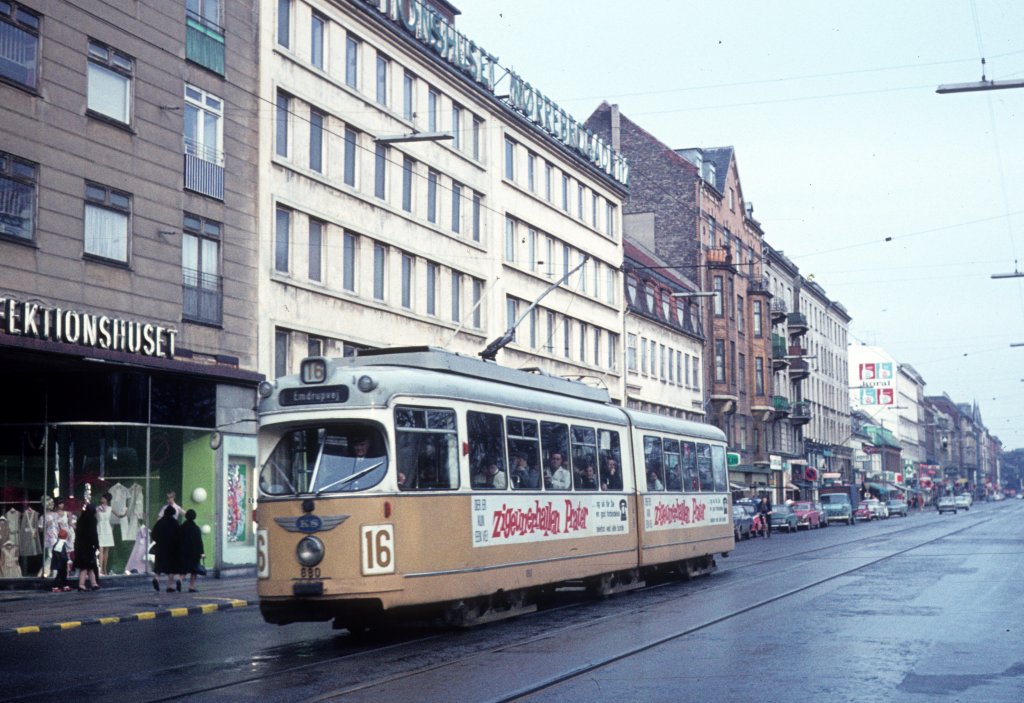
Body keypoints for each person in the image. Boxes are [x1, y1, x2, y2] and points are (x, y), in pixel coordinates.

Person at [151, 505, 182, 592]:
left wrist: (158, 541)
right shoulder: (175, 523)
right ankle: (169, 586)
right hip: (172, 548)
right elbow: (179, 536)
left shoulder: (160, 522)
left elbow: (153, 534)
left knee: (159, 565)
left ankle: (156, 578)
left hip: (160, 547)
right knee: (171, 568)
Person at [96, 492, 125, 576]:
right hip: (100, 528)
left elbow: (119, 515)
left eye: (103, 498)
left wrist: (125, 513)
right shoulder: (97, 508)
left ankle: (105, 569)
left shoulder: (110, 508)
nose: (101, 499)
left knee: (106, 550)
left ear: (106, 500)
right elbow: (93, 515)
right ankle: (100, 569)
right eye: (101, 498)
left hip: (107, 529)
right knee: (100, 549)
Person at [73, 503, 100, 592]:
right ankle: (82, 584)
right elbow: (93, 533)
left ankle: (93, 583)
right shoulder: (92, 520)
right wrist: (96, 544)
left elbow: (78, 532)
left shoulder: (81, 519)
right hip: (88, 545)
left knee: (88, 566)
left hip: (80, 545)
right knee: (87, 566)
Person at [179, 509, 205, 593]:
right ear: (194, 517)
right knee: (194, 570)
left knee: (184, 568)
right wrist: (202, 552)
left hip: (183, 551)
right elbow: (199, 541)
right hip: (194, 552)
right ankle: (191, 586)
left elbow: (178, 539)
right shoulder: (196, 528)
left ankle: (180, 579)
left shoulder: (182, 527)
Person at [50, 528, 71, 593]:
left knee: (63, 574)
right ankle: (55, 587)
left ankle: (64, 585)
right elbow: (61, 555)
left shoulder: (59, 543)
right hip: (60, 563)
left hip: (60, 563)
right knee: (59, 575)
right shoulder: (60, 544)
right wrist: (67, 560)